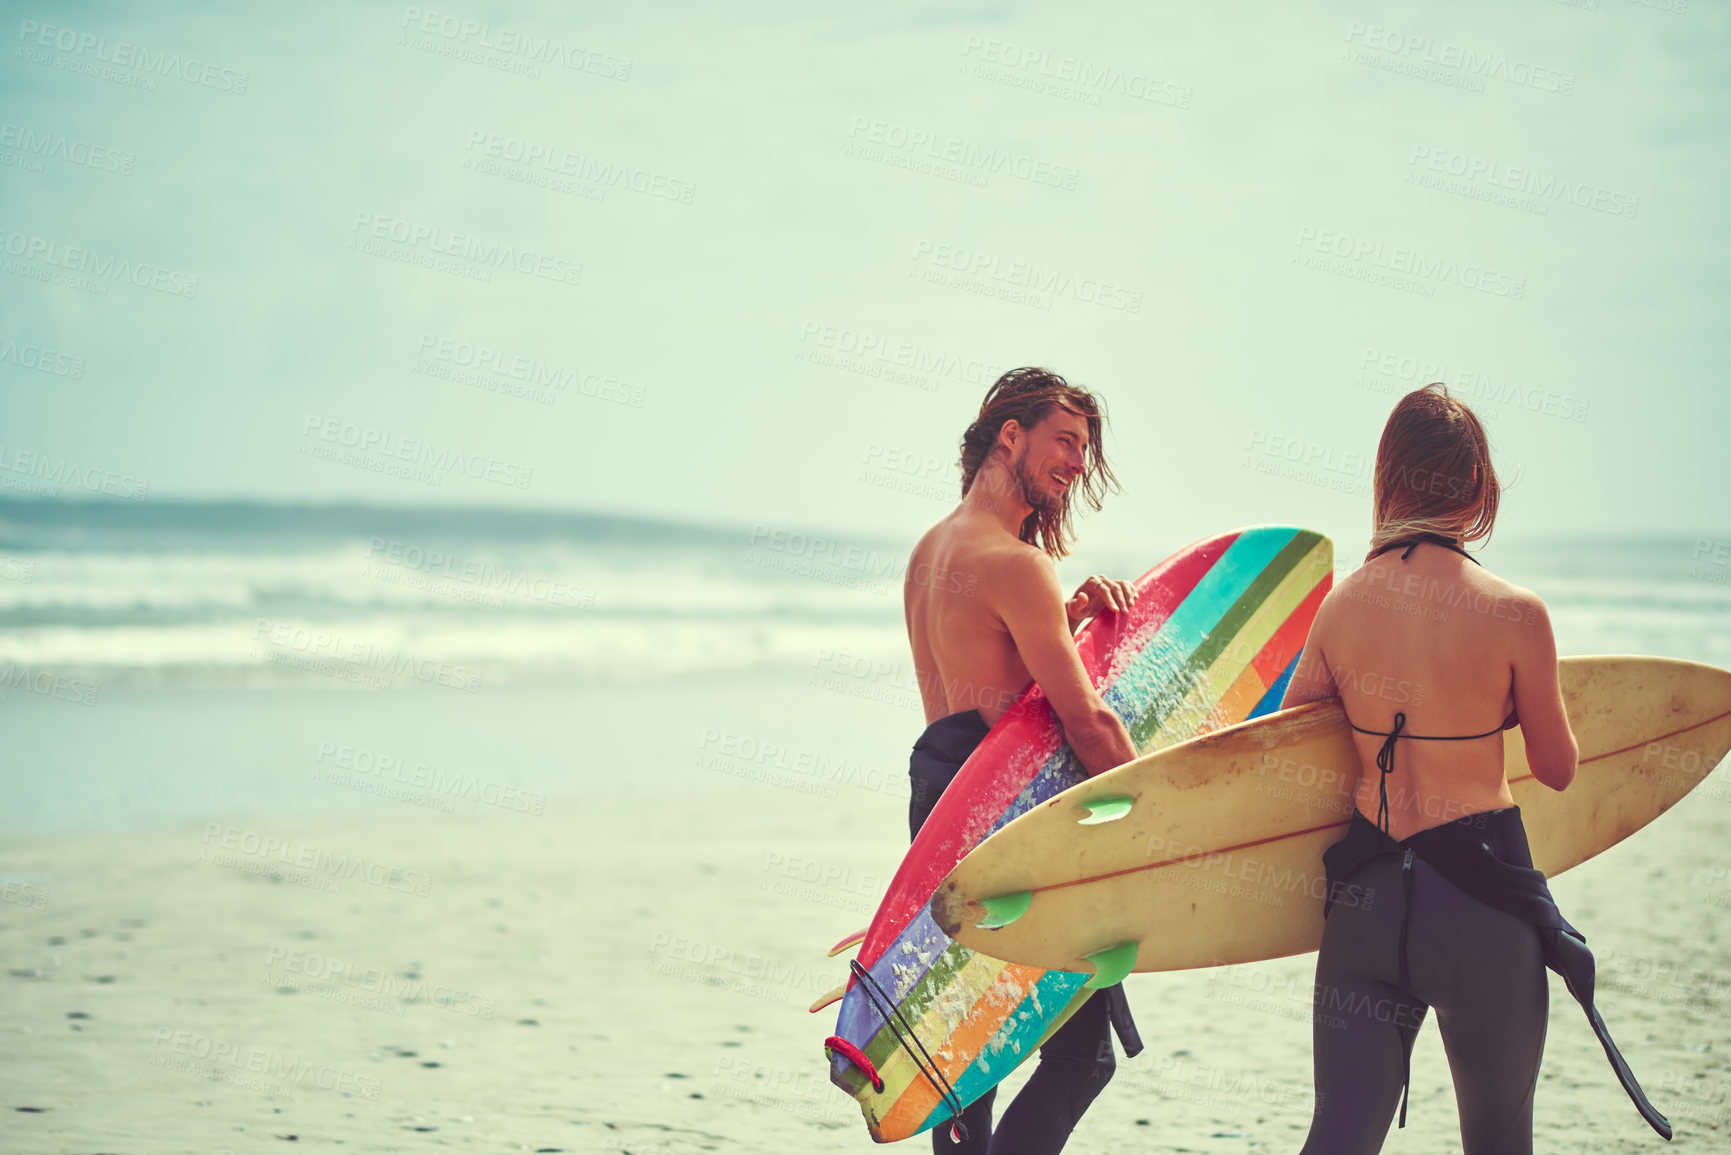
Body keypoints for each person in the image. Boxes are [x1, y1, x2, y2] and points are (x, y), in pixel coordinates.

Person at [1279, 384, 1669, 1154]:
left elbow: (1285, 748)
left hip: (1367, 901)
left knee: (1336, 1139)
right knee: (1497, 1143)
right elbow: (1557, 769)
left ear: (1388, 476)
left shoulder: (1340, 607)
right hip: (1479, 908)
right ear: (1476, 488)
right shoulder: (1515, 613)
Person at [903, 367, 1142, 1154]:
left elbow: (977, 689)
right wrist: (1158, 802)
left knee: (965, 1046)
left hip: (941, 804)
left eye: (1084, 448)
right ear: (1010, 435)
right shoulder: (1015, 563)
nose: (1077, 462)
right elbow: (1084, 719)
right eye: (1065, 441)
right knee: (1081, 1054)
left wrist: (1063, 620)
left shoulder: (931, 550)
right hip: (1014, 822)